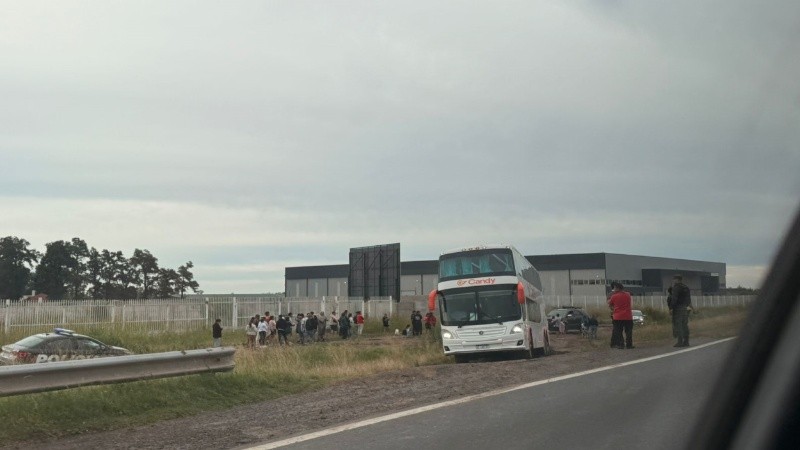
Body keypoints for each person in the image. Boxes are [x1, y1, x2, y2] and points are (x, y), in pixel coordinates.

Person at [608, 282, 634, 349]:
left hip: (618, 317)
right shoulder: (628, 294)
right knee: (628, 331)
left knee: (618, 332)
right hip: (628, 316)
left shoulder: (614, 296)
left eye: (614, 288)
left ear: (616, 288)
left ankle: (621, 344)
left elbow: (610, 305)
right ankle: (629, 345)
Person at [671, 275, 692, 347]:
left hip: (678, 308)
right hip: (685, 308)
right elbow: (689, 299)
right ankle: (686, 341)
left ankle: (679, 342)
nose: (674, 281)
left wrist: (671, 308)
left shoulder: (676, 287)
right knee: (685, 325)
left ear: (677, 280)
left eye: (674, 279)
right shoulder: (686, 287)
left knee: (678, 325)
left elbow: (674, 299)